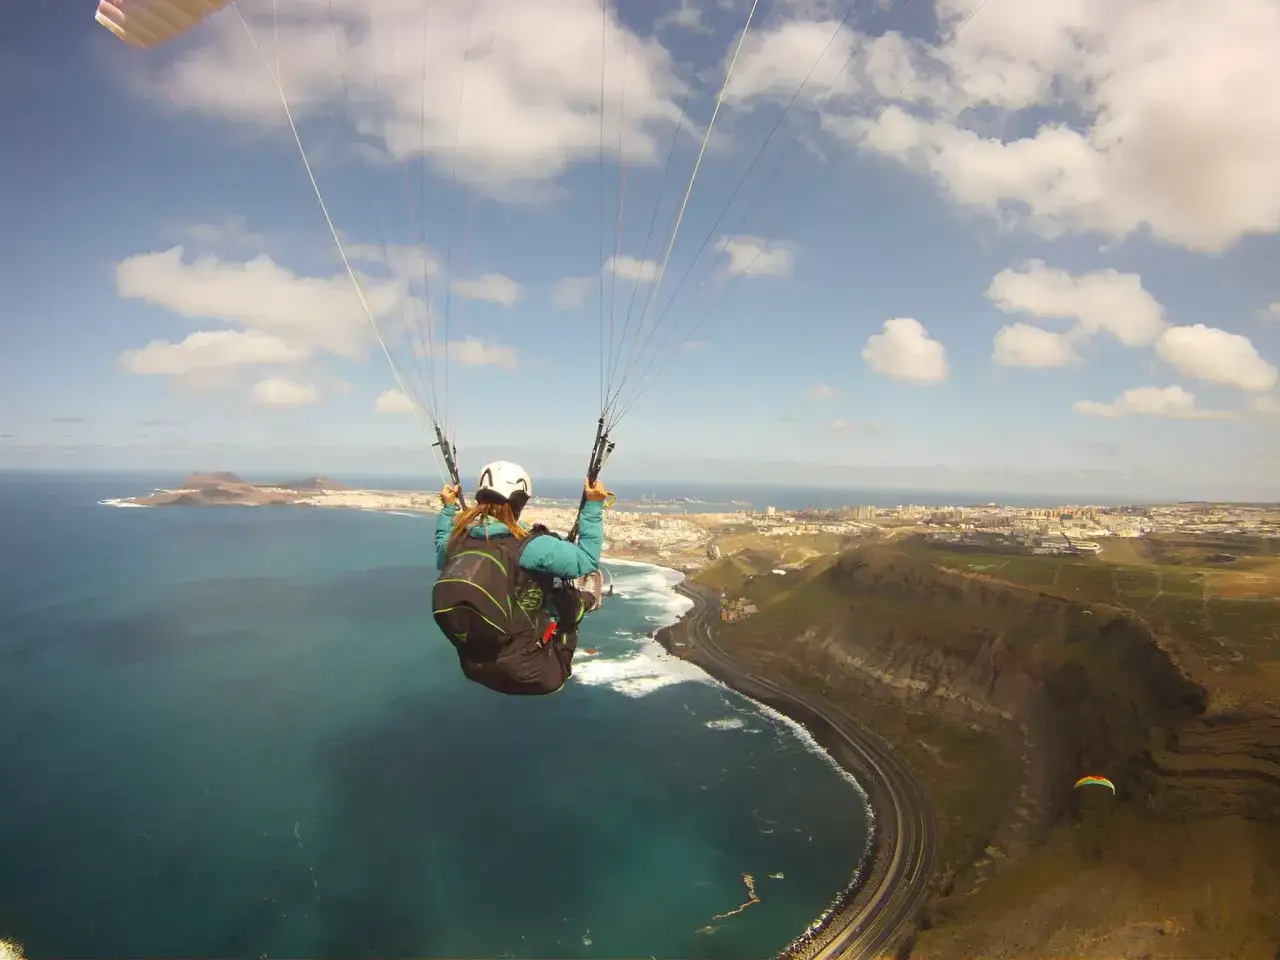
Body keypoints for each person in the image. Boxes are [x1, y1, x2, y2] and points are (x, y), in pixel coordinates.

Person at [431, 460, 609, 696]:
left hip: (475, 665)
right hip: (531, 672)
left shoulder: (458, 541)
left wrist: (448, 508)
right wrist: (594, 506)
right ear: (520, 502)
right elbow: (586, 559)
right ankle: (577, 607)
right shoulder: (529, 547)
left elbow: (441, 549)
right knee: (567, 603)